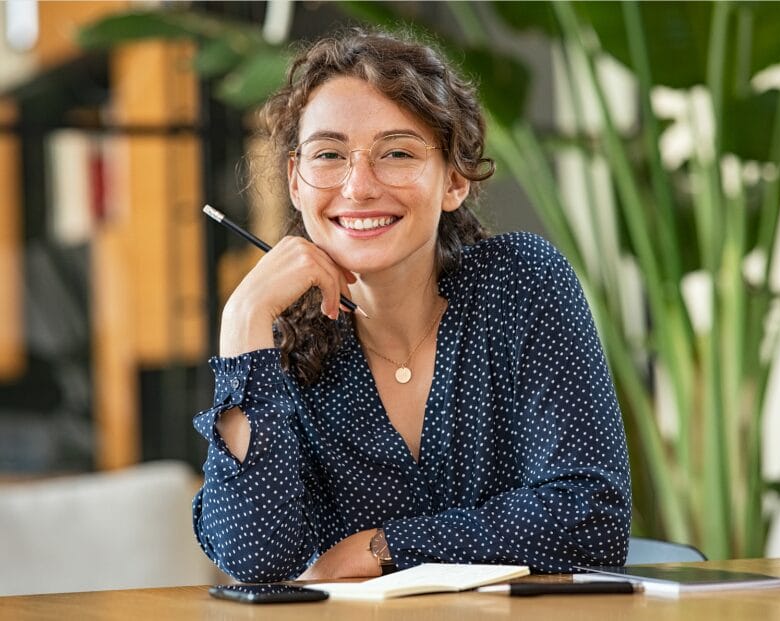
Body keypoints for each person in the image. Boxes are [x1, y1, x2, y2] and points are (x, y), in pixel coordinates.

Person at [192, 28, 631, 582]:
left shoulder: (519, 283)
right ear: (296, 182)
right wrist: (242, 320)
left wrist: (382, 546)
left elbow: (592, 518)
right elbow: (255, 559)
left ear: (453, 180)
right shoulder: (270, 350)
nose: (358, 187)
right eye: (329, 155)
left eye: (396, 153)